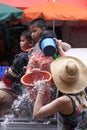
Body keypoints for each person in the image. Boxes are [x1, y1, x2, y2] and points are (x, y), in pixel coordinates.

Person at [33, 56, 87, 130]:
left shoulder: (64, 101)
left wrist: (41, 90)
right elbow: (68, 68)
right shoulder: (79, 86)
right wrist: (42, 73)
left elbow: (36, 114)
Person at [0, 30, 34, 117]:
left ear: (31, 43)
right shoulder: (34, 55)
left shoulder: (22, 57)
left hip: (13, 90)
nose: (20, 43)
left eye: (23, 41)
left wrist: (6, 77)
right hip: (22, 92)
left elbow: (9, 77)